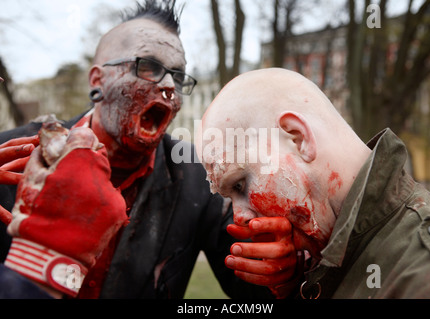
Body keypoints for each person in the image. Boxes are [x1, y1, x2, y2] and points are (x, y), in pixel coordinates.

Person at [0, 0, 274, 299]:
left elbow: (255, 292)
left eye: (179, 76)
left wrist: (285, 271)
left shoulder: (200, 177)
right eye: (148, 66)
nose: (170, 84)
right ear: (98, 81)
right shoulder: (15, 156)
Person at [195, 67, 430, 299]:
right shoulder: (325, 260)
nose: (239, 217)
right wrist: (294, 289)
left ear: (298, 139)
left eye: (240, 185)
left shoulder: (428, 276)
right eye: (229, 196)